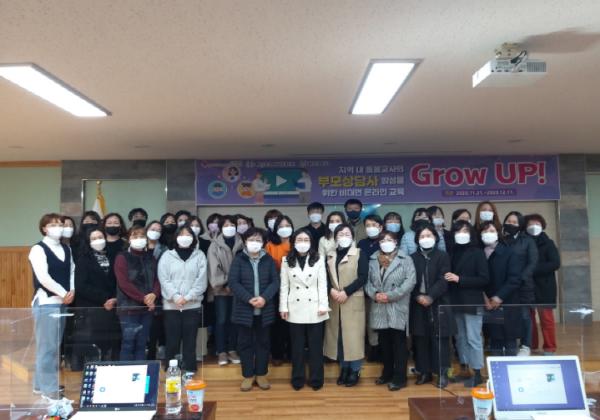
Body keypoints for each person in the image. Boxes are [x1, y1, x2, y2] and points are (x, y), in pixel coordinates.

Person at [29, 213, 75, 400]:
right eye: (53, 224)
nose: (58, 227)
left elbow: (72, 271)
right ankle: (48, 389)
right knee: (47, 348)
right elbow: (43, 277)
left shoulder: (66, 248)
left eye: (60, 224)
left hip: (63, 303)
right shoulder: (38, 249)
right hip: (47, 303)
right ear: (44, 228)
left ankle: (40, 385)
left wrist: (71, 291)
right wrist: (63, 293)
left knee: (54, 347)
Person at [228, 228, 280, 392]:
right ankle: (248, 376)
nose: (254, 243)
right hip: (244, 309)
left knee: (263, 343)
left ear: (263, 242)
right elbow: (233, 282)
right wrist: (249, 299)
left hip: (265, 309)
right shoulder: (239, 259)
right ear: (245, 241)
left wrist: (264, 298)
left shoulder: (268, 260)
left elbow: (275, 282)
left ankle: (261, 374)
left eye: (258, 240)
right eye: (251, 239)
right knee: (244, 343)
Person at [365, 230, 416, 391]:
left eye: (389, 239)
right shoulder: (373, 259)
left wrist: (390, 295)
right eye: (382, 240)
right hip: (379, 305)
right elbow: (367, 281)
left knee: (399, 344)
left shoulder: (405, 259)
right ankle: (386, 373)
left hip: (397, 305)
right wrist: (375, 294)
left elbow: (410, 281)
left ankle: (400, 378)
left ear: (396, 242)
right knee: (384, 343)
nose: (385, 243)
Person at [279, 228, 329, 390]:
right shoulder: (286, 260)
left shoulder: (319, 259)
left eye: (306, 240)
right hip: (294, 306)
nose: (302, 243)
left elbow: (322, 284)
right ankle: (298, 378)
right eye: (299, 240)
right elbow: (284, 286)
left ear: (311, 242)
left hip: (315, 306)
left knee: (315, 347)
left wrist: (323, 305)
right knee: (297, 347)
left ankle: (316, 379)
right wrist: (283, 307)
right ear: (293, 242)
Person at [158, 226, 208, 376]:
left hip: (192, 305)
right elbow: (164, 279)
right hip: (171, 305)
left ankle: (190, 369)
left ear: (193, 238)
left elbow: (201, 280)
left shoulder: (199, 255)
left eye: (188, 234)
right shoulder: (167, 256)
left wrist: (187, 297)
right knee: (172, 340)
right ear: (176, 237)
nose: (185, 237)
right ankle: (171, 370)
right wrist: (175, 296)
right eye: (182, 234)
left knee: (190, 340)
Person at [445, 220, 489, 387]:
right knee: (460, 338)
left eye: (465, 231)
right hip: (455, 301)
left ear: (471, 233)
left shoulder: (477, 252)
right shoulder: (451, 251)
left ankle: (477, 372)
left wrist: (460, 279)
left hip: (472, 301)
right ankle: (464, 369)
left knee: (473, 338)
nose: (461, 234)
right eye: (458, 231)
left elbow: (484, 279)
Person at [410, 224, 453, 388]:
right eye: (422, 236)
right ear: (417, 240)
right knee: (421, 339)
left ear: (435, 238)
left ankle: (442, 373)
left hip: (438, 302)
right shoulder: (412, 258)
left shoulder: (443, 256)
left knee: (439, 339)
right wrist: (418, 296)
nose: (425, 239)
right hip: (418, 303)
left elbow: (444, 279)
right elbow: (409, 280)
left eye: (429, 235)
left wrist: (430, 296)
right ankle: (424, 372)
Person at [324, 224, 367, 387]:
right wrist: (331, 290)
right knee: (339, 337)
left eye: (347, 234)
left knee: (353, 338)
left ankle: (355, 370)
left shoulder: (359, 253)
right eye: (340, 234)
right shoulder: (330, 255)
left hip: (352, 299)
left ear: (352, 237)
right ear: (335, 237)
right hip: (335, 300)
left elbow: (363, 277)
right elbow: (324, 276)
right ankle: (344, 368)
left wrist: (346, 292)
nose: (343, 236)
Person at [73, 228, 120, 365]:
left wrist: (114, 298)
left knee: (110, 343)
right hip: (92, 307)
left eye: (100, 237)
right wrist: (104, 298)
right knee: (93, 344)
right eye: (94, 238)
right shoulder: (83, 260)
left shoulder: (113, 256)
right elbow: (81, 286)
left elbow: (118, 280)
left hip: (112, 306)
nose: (98, 240)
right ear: (88, 241)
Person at [115, 226, 161, 361]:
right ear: (129, 239)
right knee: (128, 343)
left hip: (147, 308)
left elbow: (157, 279)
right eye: (135, 236)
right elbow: (124, 283)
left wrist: (154, 294)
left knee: (142, 344)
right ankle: (126, 372)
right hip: (129, 308)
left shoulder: (151, 257)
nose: (139, 239)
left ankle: (140, 371)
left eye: (142, 236)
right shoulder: (122, 257)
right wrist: (144, 298)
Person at [481, 221, 522, 357]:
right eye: (485, 231)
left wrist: (499, 297)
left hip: (507, 302)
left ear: (498, 233)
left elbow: (514, 279)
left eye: (492, 231)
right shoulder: (479, 253)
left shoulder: (509, 252)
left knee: (510, 341)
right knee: (494, 342)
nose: (488, 234)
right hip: (487, 304)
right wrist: (485, 298)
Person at [207, 215, 244, 366]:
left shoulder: (243, 243)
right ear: (221, 228)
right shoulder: (214, 245)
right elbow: (213, 267)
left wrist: (234, 284)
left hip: (239, 290)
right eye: (226, 225)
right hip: (220, 290)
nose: (229, 227)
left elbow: (245, 266)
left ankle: (232, 349)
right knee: (221, 320)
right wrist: (225, 283)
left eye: (232, 225)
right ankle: (221, 351)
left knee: (235, 320)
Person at [502, 211, 539, 356]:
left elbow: (532, 262)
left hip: (523, 285)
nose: (511, 224)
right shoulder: (502, 239)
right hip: (506, 286)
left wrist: (521, 278)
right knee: (507, 316)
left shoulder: (528, 240)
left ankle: (525, 345)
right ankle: (509, 344)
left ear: (520, 225)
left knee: (525, 316)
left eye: (514, 222)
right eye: (508, 221)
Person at [525, 214, 560, 355]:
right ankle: (531, 345)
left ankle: (549, 347)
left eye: (537, 224)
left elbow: (555, 263)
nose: (534, 227)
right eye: (530, 224)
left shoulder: (548, 243)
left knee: (546, 319)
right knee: (529, 319)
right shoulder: (523, 242)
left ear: (542, 226)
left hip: (545, 286)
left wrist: (532, 269)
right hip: (527, 286)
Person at [265, 215, 294, 365]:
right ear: (275, 229)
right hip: (276, 287)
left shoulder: (297, 243)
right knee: (277, 323)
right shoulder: (270, 245)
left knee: (293, 322)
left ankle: (291, 353)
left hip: (295, 288)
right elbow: (267, 267)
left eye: (287, 225)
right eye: (281, 226)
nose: (284, 228)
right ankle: (277, 354)